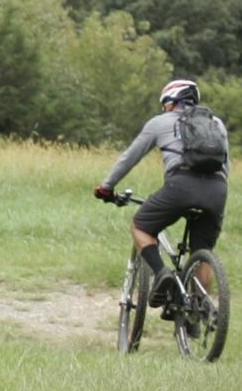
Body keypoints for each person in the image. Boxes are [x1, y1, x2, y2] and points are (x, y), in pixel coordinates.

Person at [95, 79, 227, 308]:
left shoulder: (160, 122)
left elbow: (130, 157)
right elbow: (226, 166)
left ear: (170, 101)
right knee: (202, 251)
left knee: (141, 226)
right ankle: (199, 307)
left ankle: (161, 273)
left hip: (181, 186)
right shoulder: (216, 124)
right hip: (217, 190)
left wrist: (106, 187)